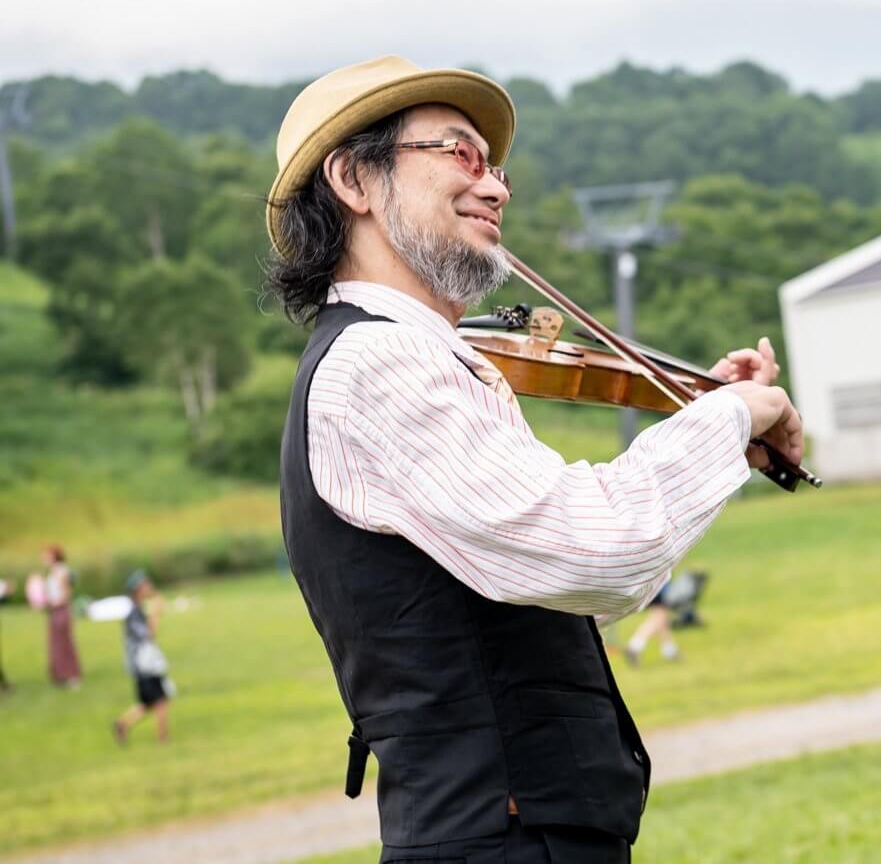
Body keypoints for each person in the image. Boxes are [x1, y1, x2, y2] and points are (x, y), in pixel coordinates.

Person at [266, 56, 804, 863]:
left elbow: (555, 583)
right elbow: (596, 548)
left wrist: (711, 414)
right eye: (460, 155)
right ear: (353, 178)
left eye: (497, 167)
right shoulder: (381, 367)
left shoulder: (419, 358)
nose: (496, 188)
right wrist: (729, 416)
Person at [113, 571, 173, 744]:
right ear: (137, 589)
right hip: (143, 664)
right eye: (146, 584)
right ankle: (163, 739)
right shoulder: (133, 614)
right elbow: (149, 634)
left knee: (150, 702)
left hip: (148, 661)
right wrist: (156, 612)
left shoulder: (138, 610)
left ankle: (122, 724)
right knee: (160, 701)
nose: (149, 587)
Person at [40, 545, 81, 688]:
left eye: (46, 555)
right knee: (55, 644)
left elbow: (66, 594)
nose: (43, 558)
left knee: (65, 643)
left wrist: (54, 603)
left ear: (54, 556)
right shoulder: (52, 572)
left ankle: (73, 675)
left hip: (61, 610)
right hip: (54, 610)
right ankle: (60, 675)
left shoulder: (62, 571)